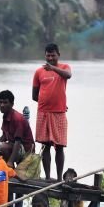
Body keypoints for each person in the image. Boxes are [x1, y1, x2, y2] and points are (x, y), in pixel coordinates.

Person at [32, 42, 72, 180]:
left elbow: (68, 75)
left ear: (58, 55)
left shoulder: (64, 67)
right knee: (46, 145)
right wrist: (47, 102)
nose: (50, 58)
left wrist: (53, 68)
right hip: (43, 112)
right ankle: (48, 177)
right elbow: (34, 95)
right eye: (48, 55)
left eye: (53, 55)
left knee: (59, 146)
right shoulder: (39, 72)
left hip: (59, 113)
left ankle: (59, 178)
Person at [0, 89, 35, 162]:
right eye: (0, 102)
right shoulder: (6, 116)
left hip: (26, 151)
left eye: (5, 102)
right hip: (15, 146)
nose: (2, 105)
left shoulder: (17, 119)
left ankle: (10, 168)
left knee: (2, 147)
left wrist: (11, 162)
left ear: (12, 104)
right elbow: (4, 136)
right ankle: (6, 170)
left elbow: (18, 142)